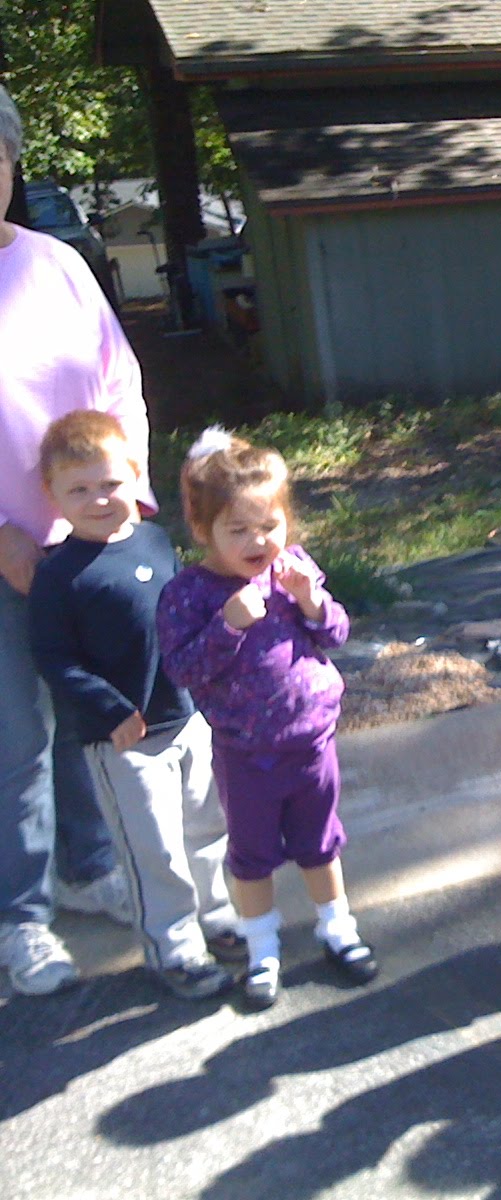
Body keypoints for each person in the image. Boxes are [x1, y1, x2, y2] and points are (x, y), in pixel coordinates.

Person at [158, 428, 379, 1011]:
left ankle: (337, 927)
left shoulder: (293, 568)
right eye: (239, 530)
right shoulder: (189, 594)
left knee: (320, 843)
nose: (259, 541)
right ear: (204, 531)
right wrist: (227, 625)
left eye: (270, 526)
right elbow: (182, 669)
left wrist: (312, 600)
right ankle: (263, 950)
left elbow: (336, 633)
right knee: (252, 854)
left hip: (313, 740)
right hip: (245, 750)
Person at [27, 412, 240, 1000]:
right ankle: (173, 948)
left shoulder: (152, 539)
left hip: (187, 720)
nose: (98, 500)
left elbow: (185, 621)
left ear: (136, 475)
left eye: (110, 484)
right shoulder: (58, 577)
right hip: (123, 743)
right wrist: (112, 709)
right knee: (155, 852)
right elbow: (56, 659)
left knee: (205, 829)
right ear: (53, 496)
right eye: (79, 490)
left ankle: (219, 919)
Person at [0, 83, 137, 996]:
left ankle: (87, 870)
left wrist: (124, 503)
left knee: (84, 715)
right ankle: (21, 919)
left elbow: (116, 382)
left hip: (80, 542)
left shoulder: (56, 264)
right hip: (4, 550)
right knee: (13, 737)